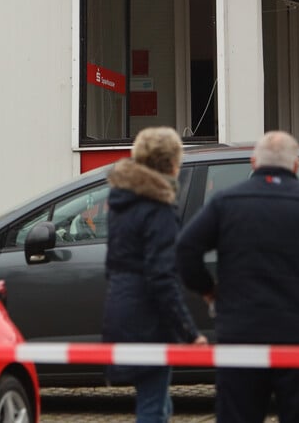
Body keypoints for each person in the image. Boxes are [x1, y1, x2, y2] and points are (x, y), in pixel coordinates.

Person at [176, 130, 299, 423]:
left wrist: (208, 290)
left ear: (253, 162)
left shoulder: (225, 202)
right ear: (296, 165)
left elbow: (185, 249)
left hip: (241, 331)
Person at [102, 126, 207, 423]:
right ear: (171, 164)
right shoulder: (158, 209)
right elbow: (161, 276)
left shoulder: (121, 204)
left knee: (158, 402)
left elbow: (114, 265)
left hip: (121, 310)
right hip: (148, 319)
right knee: (153, 404)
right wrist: (190, 332)